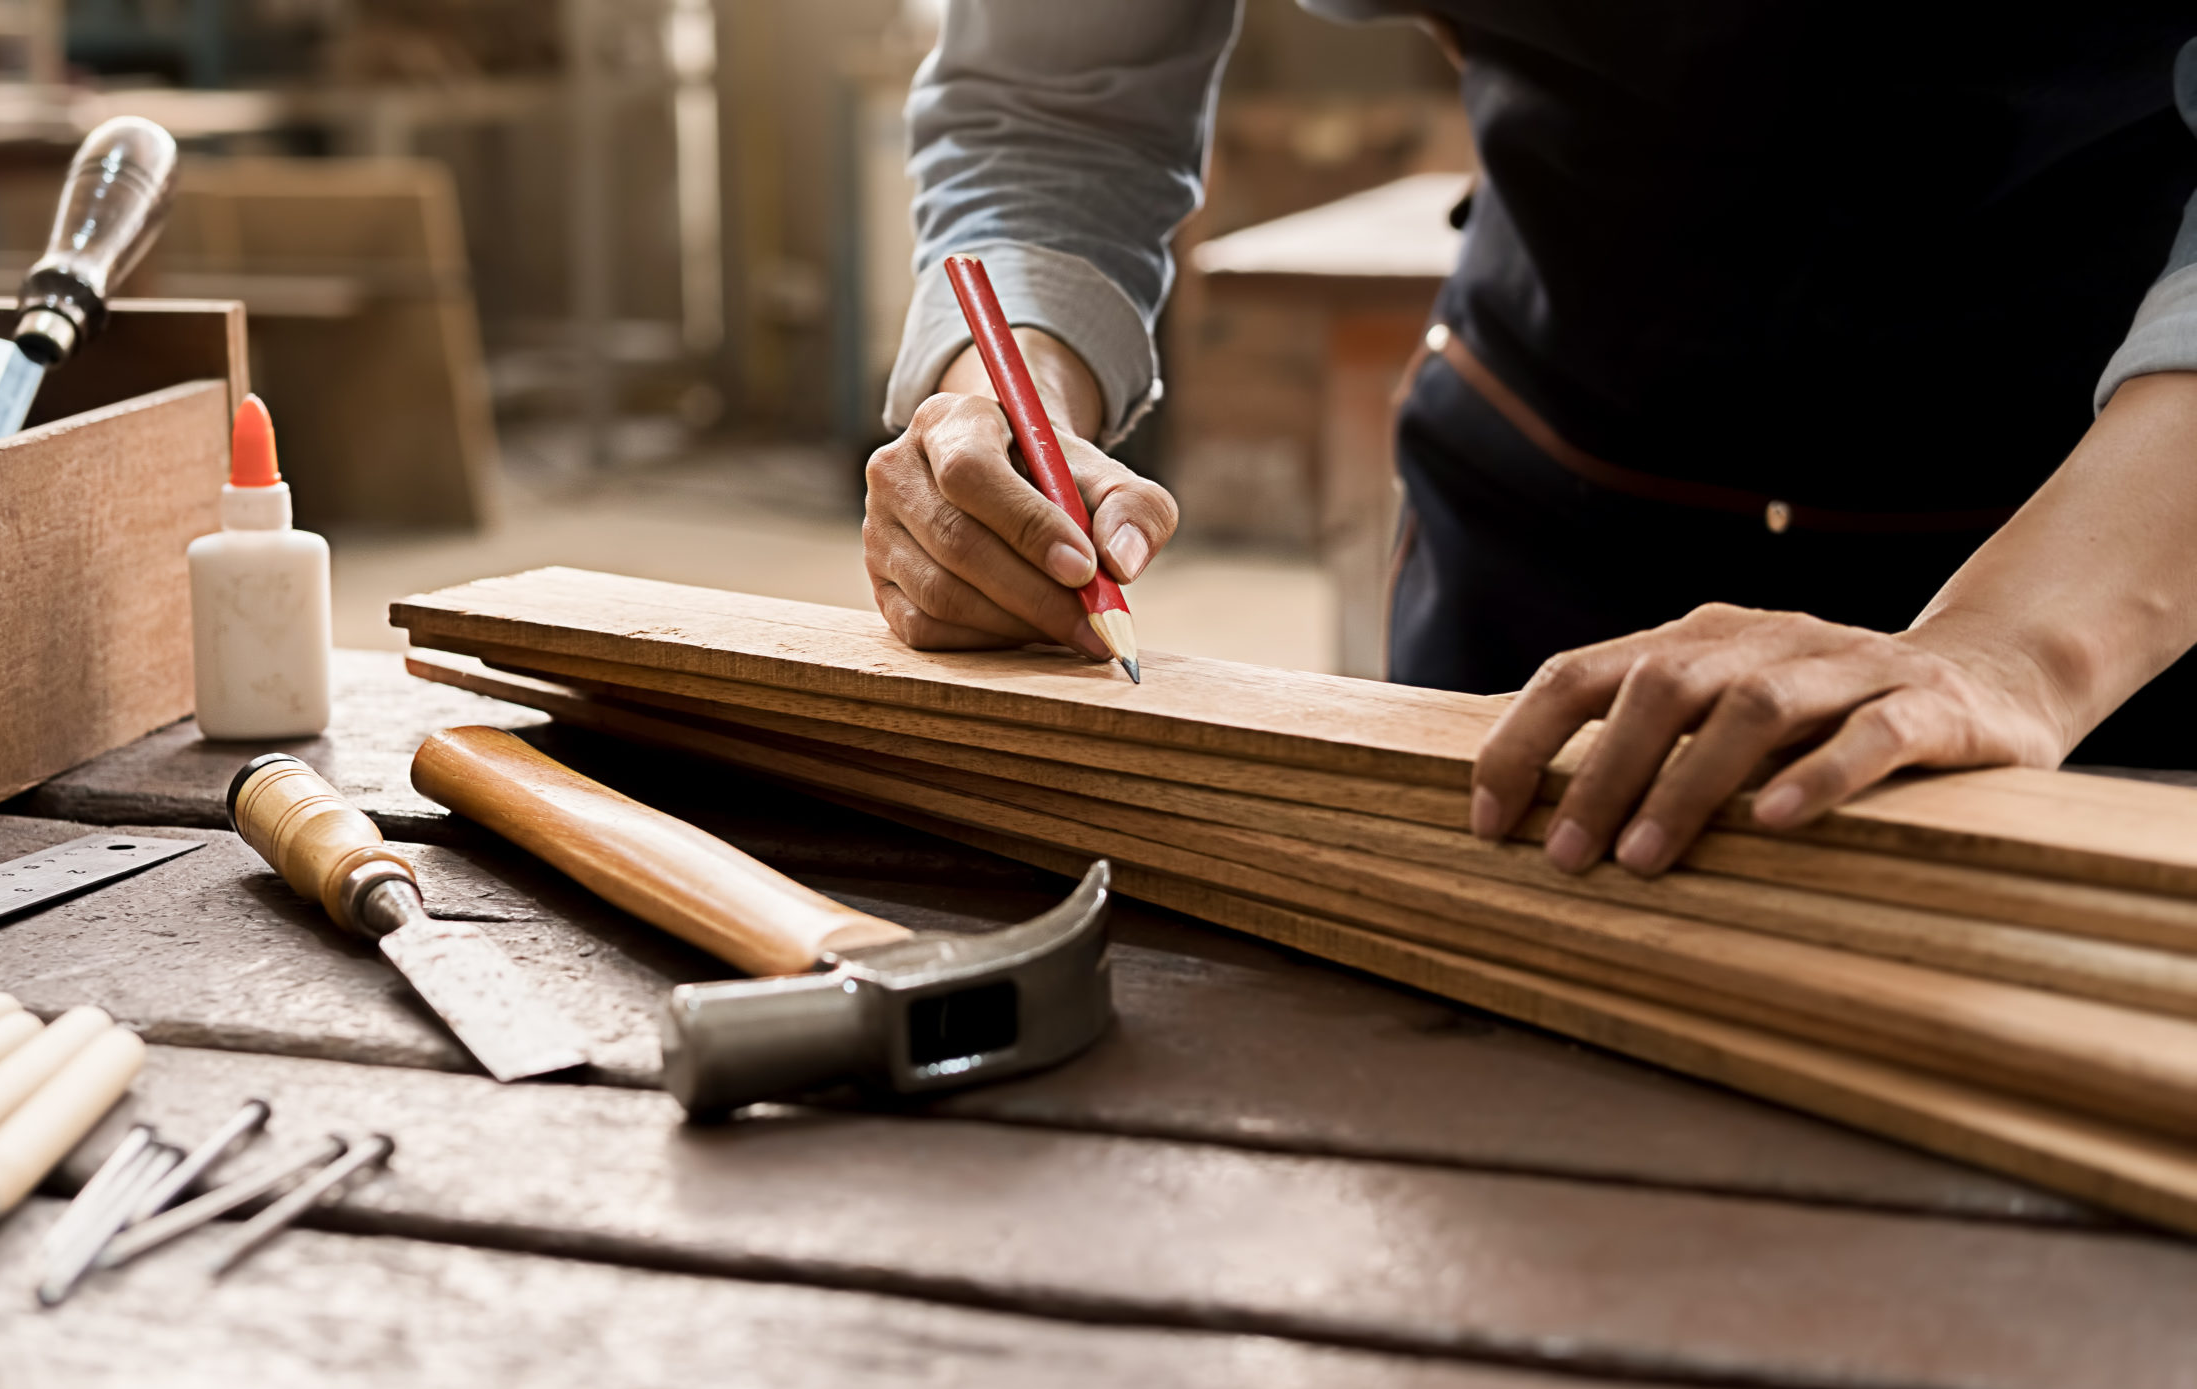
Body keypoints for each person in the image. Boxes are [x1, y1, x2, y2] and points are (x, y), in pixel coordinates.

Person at [863, 2, 2197, 878]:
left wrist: (2014, 649)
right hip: (1546, 516)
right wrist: (1001, 399)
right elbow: (1053, 105)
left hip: (2124, 547)